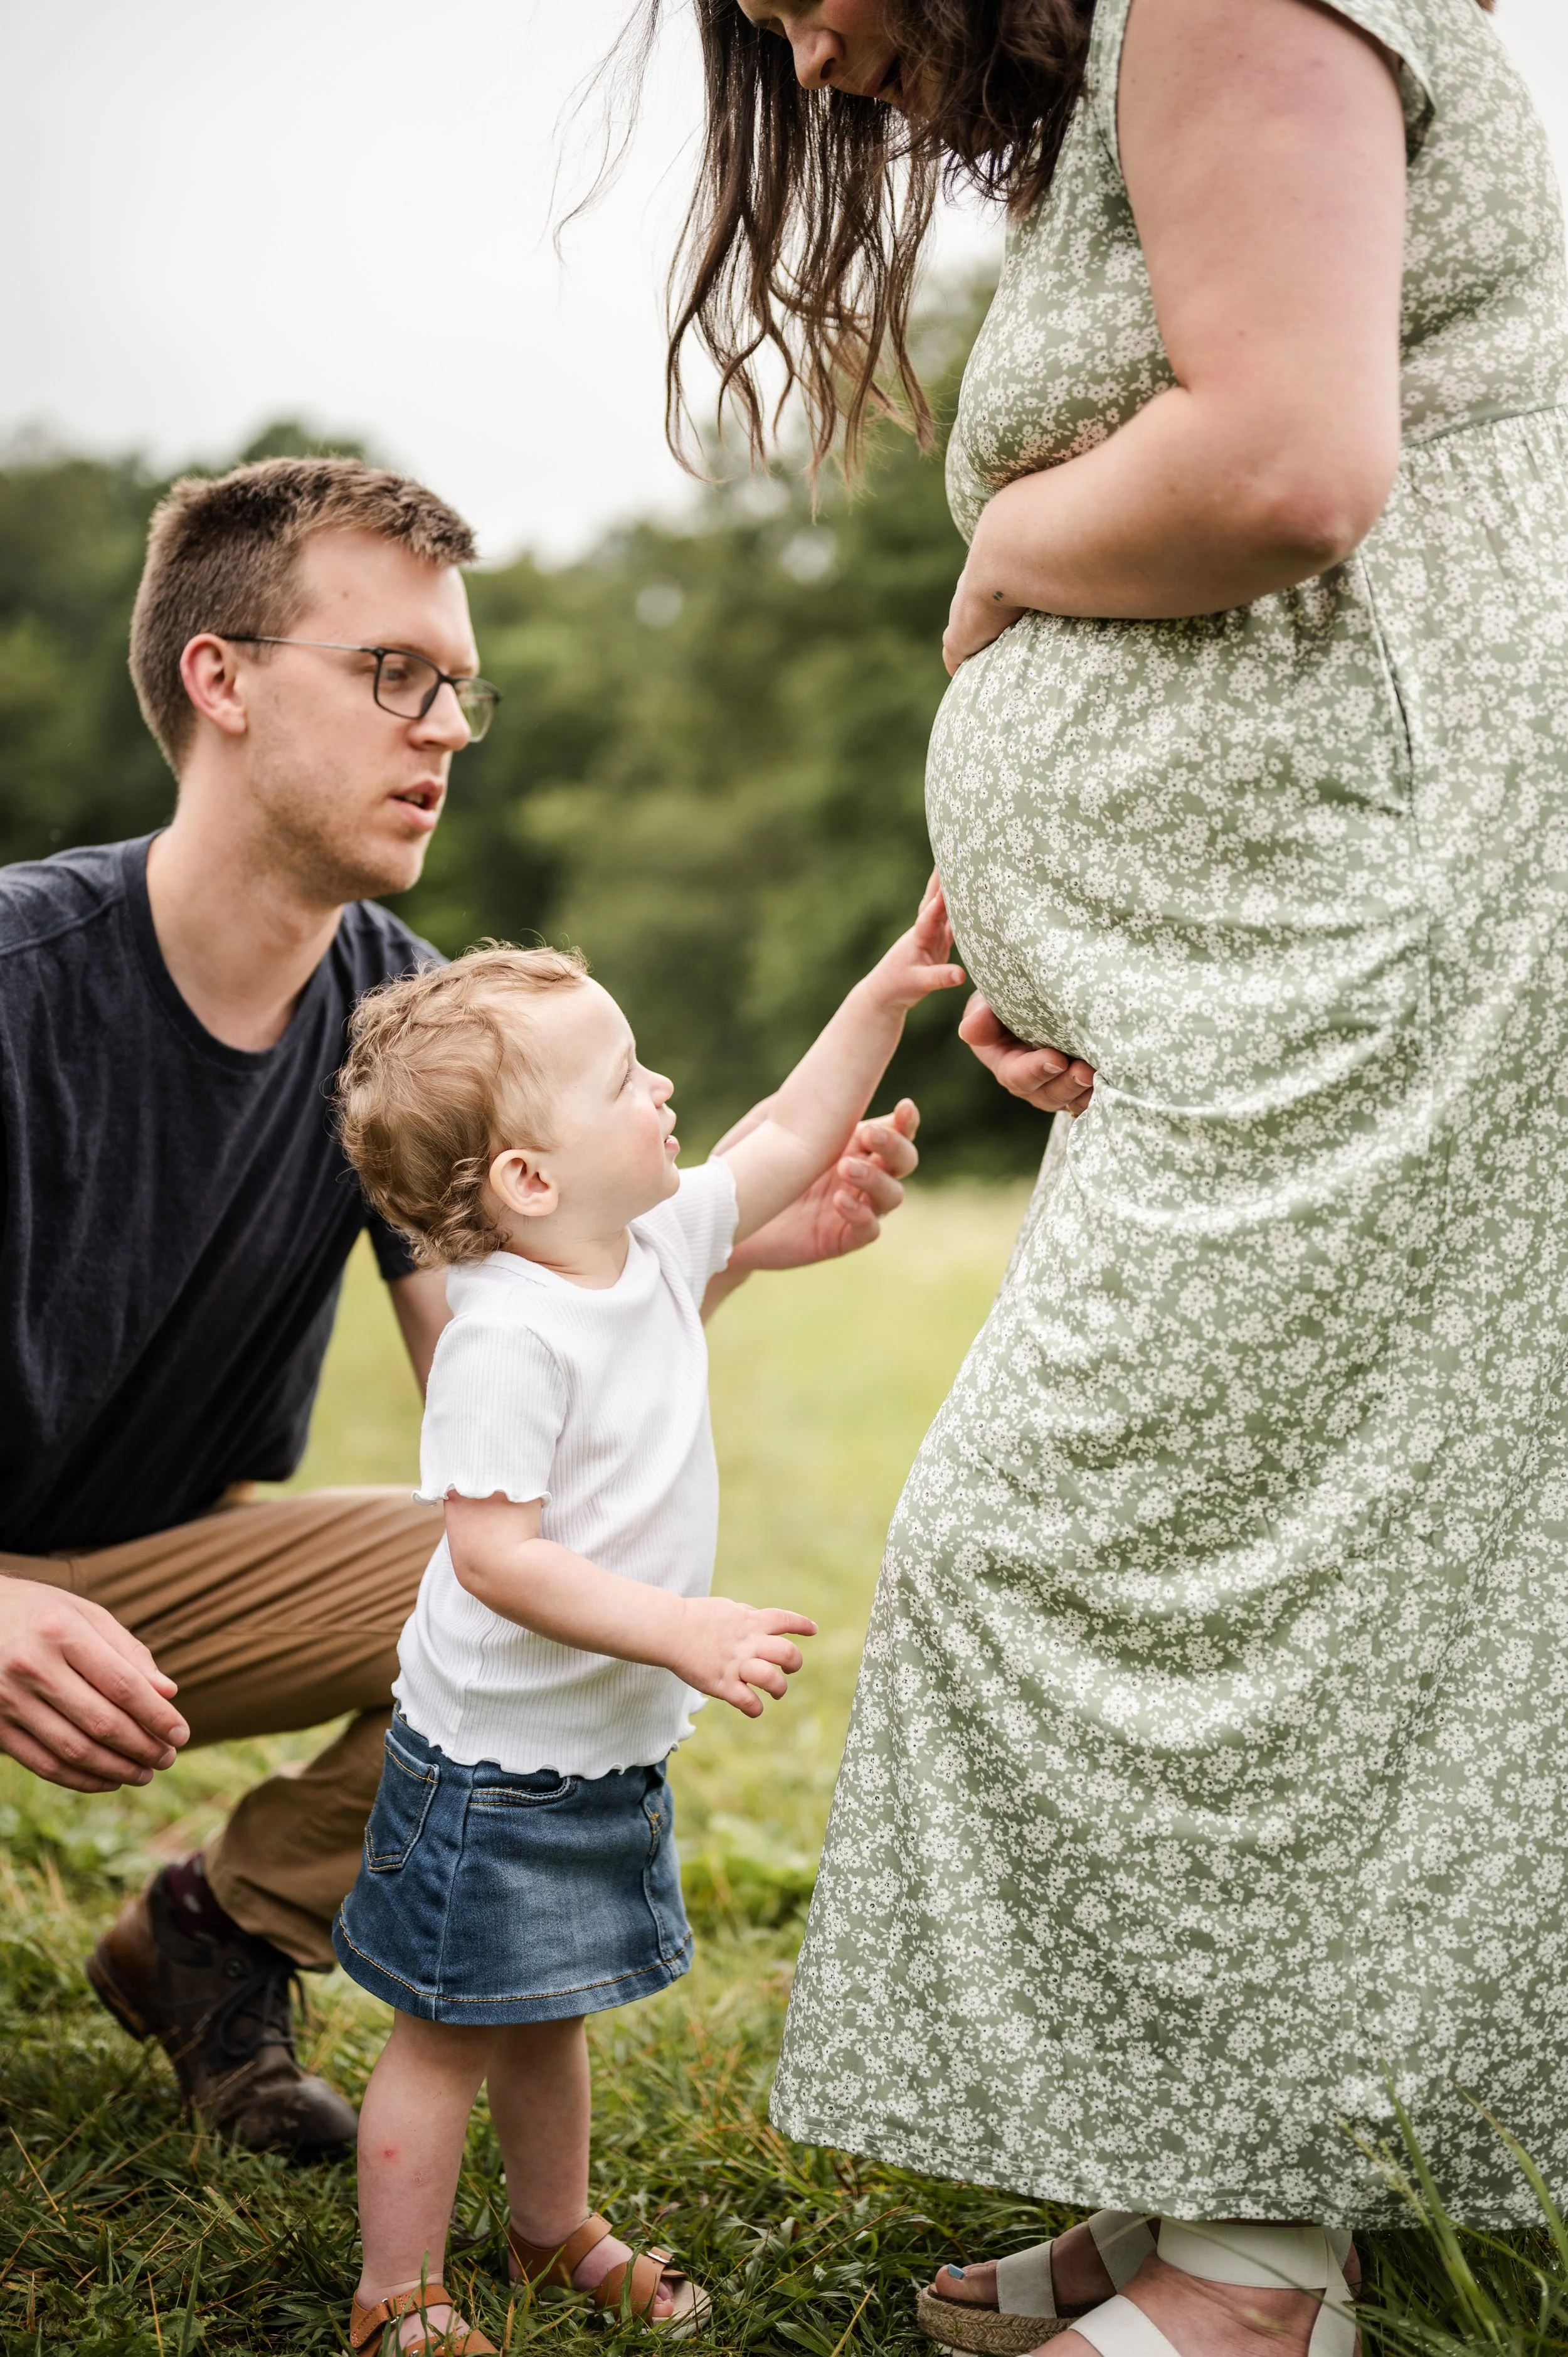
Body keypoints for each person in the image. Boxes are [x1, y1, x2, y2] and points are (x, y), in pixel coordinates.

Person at [634, 1, 1568, 2354]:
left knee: (1146, 1554)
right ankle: (1214, 2188)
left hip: (1405, 922)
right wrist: (1101, 907)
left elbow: (1280, 467)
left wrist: (1001, 574)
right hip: (1297, 944)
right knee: (1225, 1558)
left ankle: (1257, 2282)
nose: (814, 52)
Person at [0, 452, 924, 2158]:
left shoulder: (410, 1026)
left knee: (514, 1565)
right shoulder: (15, 980)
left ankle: (216, 1932)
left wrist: (692, 1259)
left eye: (455, 687)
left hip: (156, 1574)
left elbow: (502, 1394)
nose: (442, 728)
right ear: (220, 680)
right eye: (390, 676)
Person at [327, 904, 964, 2357]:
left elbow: (792, 1135)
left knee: (550, 2009)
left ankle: (551, 2233)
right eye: (623, 1076)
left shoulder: (656, 1245)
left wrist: (877, 993)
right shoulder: (502, 1335)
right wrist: (676, 1628)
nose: (661, 1087)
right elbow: (491, 1558)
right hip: (490, 1768)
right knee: (446, 2035)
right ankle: (395, 2298)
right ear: (530, 1175)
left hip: (592, 1753)